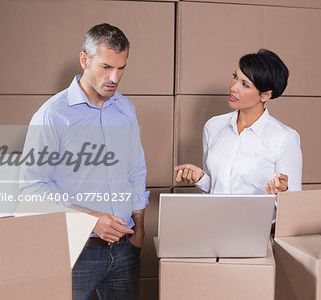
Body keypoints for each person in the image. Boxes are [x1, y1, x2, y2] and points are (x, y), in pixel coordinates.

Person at [19, 24, 148, 300]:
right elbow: (31, 189)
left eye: (121, 68)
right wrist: (90, 219)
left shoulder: (125, 109)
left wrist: (139, 224)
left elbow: (135, 169)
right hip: (77, 249)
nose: (115, 77)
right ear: (84, 60)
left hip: (125, 248)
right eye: (106, 67)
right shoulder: (53, 115)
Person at [175, 49, 302, 196]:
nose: (233, 87)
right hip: (215, 218)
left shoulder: (285, 138)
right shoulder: (213, 126)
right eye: (235, 77)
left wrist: (283, 192)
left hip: (257, 219)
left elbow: (292, 204)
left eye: (245, 84)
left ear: (265, 95)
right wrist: (200, 178)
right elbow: (217, 190)